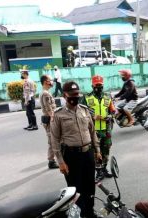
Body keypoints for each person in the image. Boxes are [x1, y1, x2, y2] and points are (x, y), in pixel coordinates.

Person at [50, 81, 102, 218]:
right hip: (71, 156)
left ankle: (89, 212)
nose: (75, 97)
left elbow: (92, 132)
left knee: (90, 185)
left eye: (77, 94)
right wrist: (60, 162)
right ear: (64, 95)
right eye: (72, 95)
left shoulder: (84, 110)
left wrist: (97, 150)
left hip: (88, 153)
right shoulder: (58, 115)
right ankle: (80, 214)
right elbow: (54, 140)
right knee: (75, 189)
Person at [82, 75, 115, 182]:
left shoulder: (107, 96)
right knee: (96, 151)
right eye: (96, 85)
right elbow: (81, 112)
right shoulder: (87, 97)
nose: (99, 87)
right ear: (92, 85)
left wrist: (110, 116)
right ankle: (99, 171)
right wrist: (92, 116)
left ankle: (104, 169)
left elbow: (113, 111)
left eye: (100, 85)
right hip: (93, 130)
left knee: (106, 149)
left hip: (106, 129)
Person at [39, 75, 59, 169]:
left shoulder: (45, 92)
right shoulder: (45, 94)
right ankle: (51, 161)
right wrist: (53, 119)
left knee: (54, 140)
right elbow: (48, 108)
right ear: (45, 82)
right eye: (49, 80)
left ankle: (53, 159)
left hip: (49, 119)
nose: (51, 82)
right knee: (52, 141)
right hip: (49, 119)